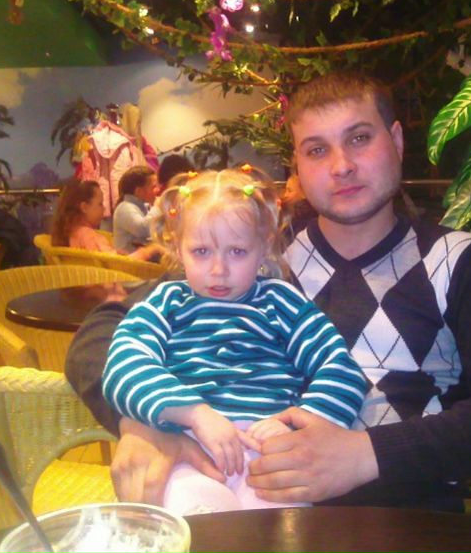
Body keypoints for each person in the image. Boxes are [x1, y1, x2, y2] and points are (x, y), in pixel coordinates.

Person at [65, 71, 471, 510]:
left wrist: (364, 455)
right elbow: (103, 332)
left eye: (359, 138)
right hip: (246, 506)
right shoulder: (251, 257)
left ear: (396, 140)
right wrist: (146, 423)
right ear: (298, 166)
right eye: (317, 149)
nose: (341, 165)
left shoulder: (459, 261)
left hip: (408, 523)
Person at [102, 166, 367, 514]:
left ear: (264, 248)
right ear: (178, 248)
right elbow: (124, 365)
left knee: (283, 529)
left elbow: (341, 368)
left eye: (237, 252)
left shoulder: (282, 302)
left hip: (269, 455)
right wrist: (194, 413)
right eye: (201, 251)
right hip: (188, 448)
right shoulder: (165, 303)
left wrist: (300, 421)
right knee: (194, 519)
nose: (218, 270)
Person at [51, 179, 161, 261]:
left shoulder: (70, 232)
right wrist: (149, 251)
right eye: (100, 204)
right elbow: (118, 264)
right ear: (84, 207)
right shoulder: (89, 237)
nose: (104, 208)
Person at [112, 166, 161, 254]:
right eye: (153, 187)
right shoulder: (124, 208)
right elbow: (143, 230)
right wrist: (157, 207)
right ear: (139, 191)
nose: (158, 190)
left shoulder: (144, 206)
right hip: (129, 260)